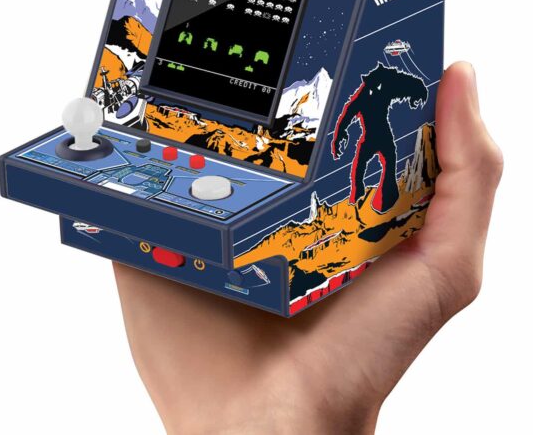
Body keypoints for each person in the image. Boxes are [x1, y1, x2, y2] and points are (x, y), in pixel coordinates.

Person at [114, 62, 503, 434]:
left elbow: (375, 101)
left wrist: (255, 415)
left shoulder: (372, 91)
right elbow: (354, 113)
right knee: (364, 176)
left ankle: (368, 205)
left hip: (376, 143)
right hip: (371, 143)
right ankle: (363, 205)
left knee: (372, 175)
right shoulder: (369, 93)